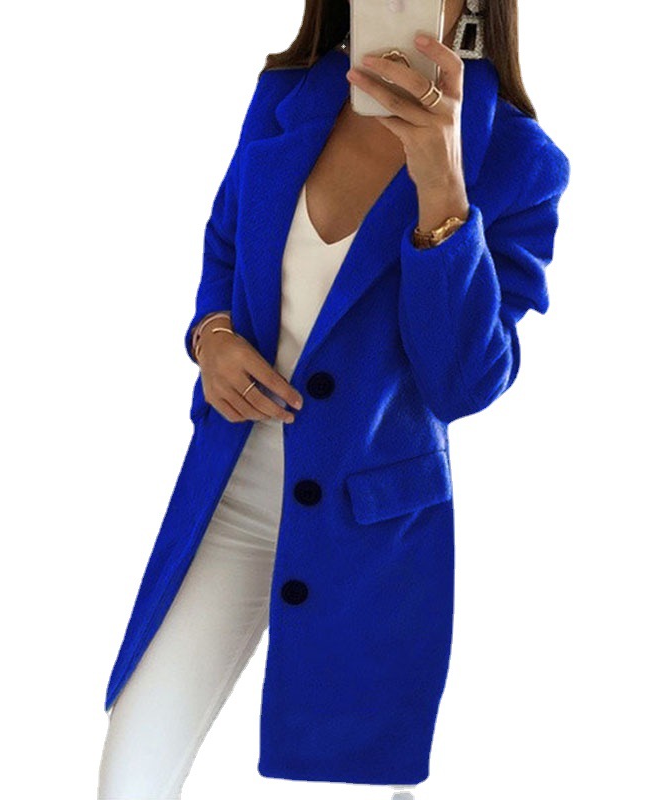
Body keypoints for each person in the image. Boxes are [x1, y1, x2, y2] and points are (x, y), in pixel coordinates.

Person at [98, 1, 570, 797]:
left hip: (368, 535)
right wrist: (212, 337)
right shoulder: (287, 96)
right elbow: (225, 243)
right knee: (131, 772)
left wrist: (442, 187)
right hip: (230, 496)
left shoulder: (519, 159)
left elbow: (463, 382)